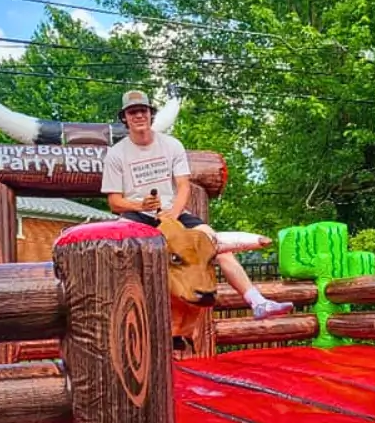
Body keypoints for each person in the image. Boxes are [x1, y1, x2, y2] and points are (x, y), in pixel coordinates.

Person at [101, 89, 294, 320]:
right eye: (132, 112)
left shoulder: (172, 145)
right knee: (121, 255)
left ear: (150, 114)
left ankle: (257, 302)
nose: (138, 116)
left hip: (174, 212)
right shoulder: (116, 154)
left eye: (142, 110)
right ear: (125, 118)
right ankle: (116, 315)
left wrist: (173, 214)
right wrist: (140, 204)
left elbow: (183, 186)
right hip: (137, 216)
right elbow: (114, 202)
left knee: (214, 244)